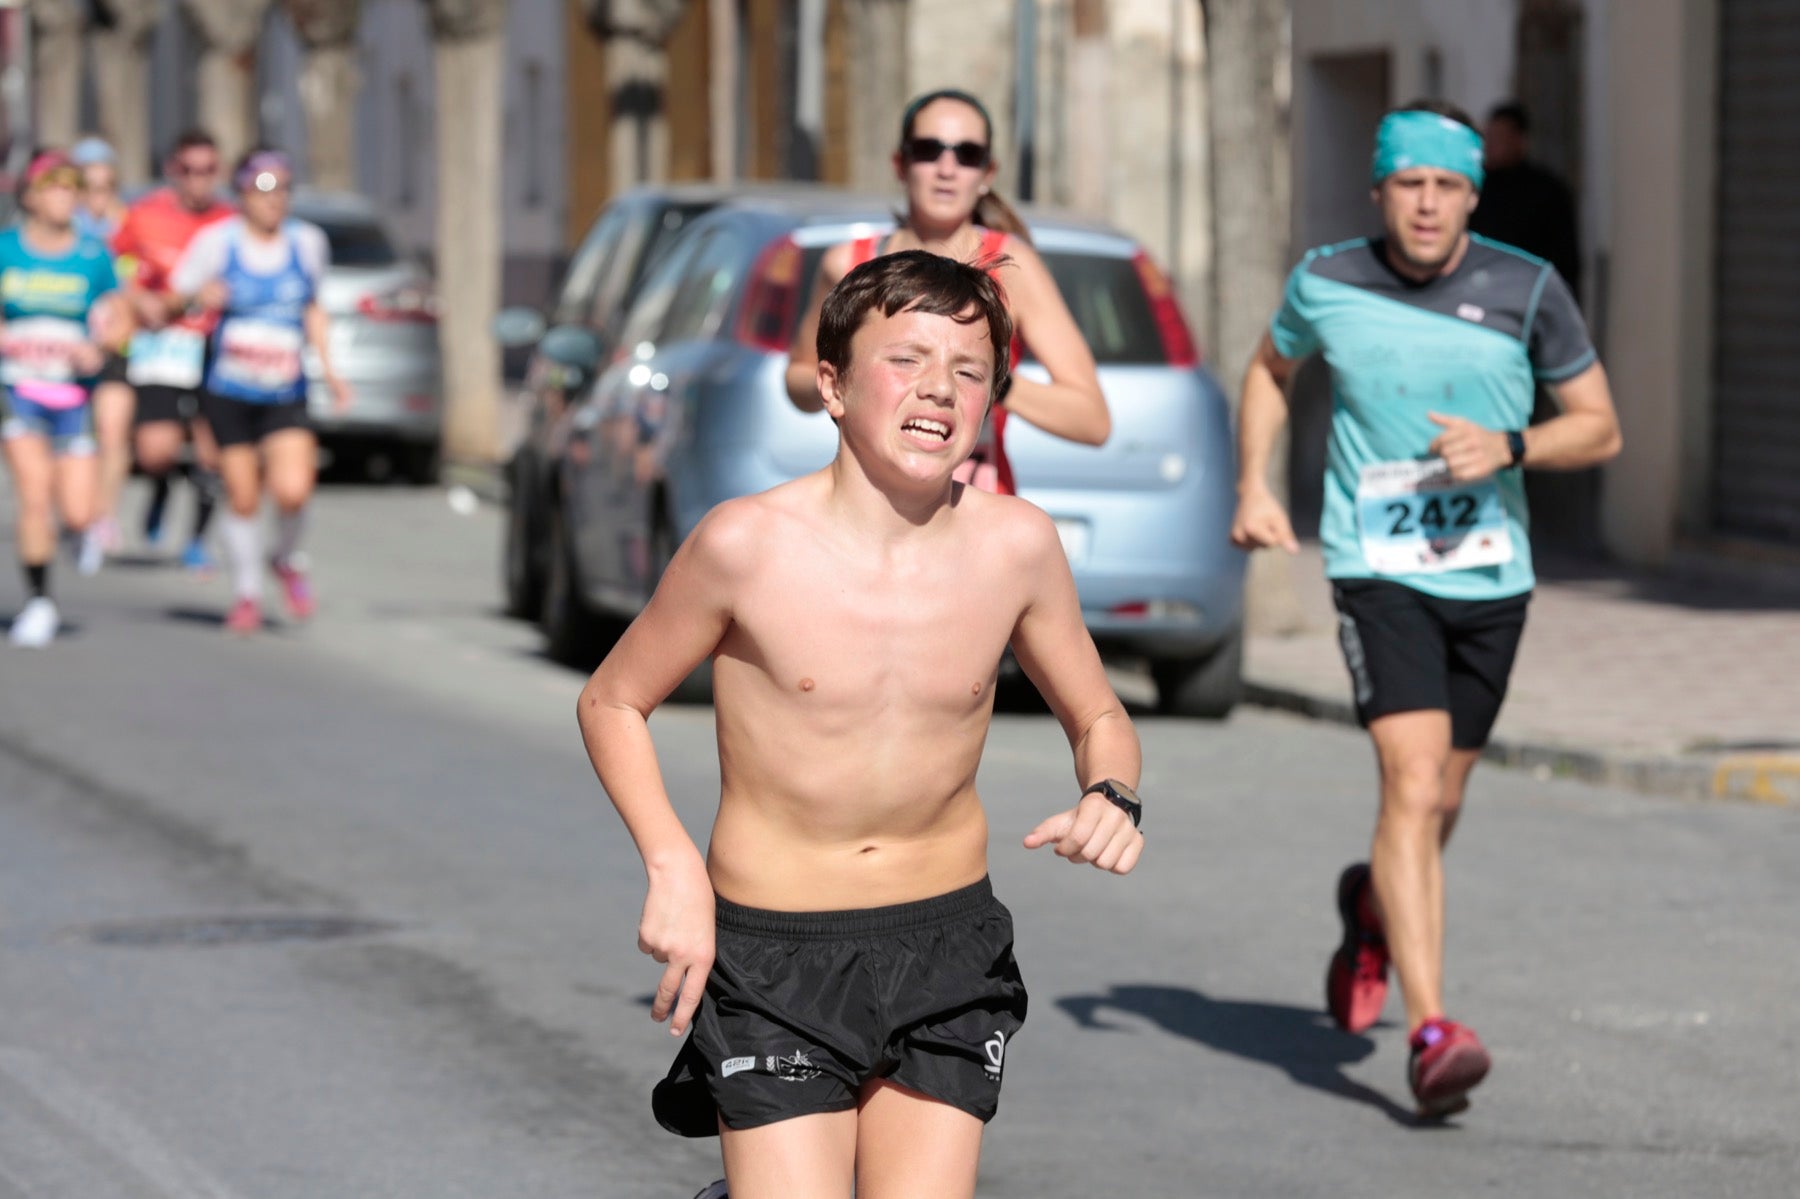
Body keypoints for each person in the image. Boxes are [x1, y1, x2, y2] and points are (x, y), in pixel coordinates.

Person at [580, 250, 1144, 1198]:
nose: (940, 388)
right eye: (907, 360)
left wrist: (1112, 792)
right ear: (833, 387)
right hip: (775, 953)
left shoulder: (1017, 546)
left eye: (969, 370)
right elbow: (611, 699)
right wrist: (674, 868)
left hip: (947, 945)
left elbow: (1098, 713)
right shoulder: (745, 544)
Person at [1230, 101, 1622, 1118]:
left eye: (1448, 185)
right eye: (1410, 183)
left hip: (1491, 576)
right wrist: (1254, 483)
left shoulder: (1527, 288)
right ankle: (1434, 1030)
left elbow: (1600, 427)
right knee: (1409, 779)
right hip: (1378, 566)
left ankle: (1372, 906)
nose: (1428, 204)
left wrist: (1512, 445)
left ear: (1473, 195)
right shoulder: (1328, 280)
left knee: (1441, 800)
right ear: (1380, 190)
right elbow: (1270, 368)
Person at [785, 88, 1109, 494]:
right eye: (928, 150)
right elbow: (800, 375)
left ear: (988, 174)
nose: (947, 169)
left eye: (967, 155)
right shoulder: (848, 263)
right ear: (900, 164)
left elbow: (1092, 421)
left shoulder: (1012, 267)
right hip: (870, 501)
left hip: (974, 502)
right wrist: (845, 381)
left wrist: (985, 380)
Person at [168, 147, 348, 634]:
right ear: (242, 194)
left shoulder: (307, 242)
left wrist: (331, 371)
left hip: (284, 389)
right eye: (264, 188)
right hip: (228, 390)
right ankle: (246, 594)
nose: (275, 199)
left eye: (283, 188)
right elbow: (174, 295)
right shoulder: (217, 242)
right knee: (244, 496)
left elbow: (313, 307)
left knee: (294, 489)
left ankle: (285, 558)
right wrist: (198, 297)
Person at [0, 150, 123, 646]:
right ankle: (39, 601)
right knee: (34, 496)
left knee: (76, 511)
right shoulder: (6, 248)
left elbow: (120, 317)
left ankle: (80, 530)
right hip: (18, 390)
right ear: (30, 195)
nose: (64, 196)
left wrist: (101, 347)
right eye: (53, 186)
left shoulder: (93, 255)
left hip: (73, 395)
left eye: (72, 187)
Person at [112, 128, 234, 569]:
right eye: (189, 170)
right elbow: (116, 265)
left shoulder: (229, 223)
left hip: (214, 343)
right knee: (155, 450)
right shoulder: (144, 215)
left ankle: (198, 539)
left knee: (213, 450)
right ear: (172, 170)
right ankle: (161, 485)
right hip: (163, 342)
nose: (198, 179)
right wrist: (137, 298)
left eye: (208, 170)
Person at [70, 136, 135, 571]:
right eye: (89, 187)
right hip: (69, 351)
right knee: (76, 438)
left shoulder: (128, 226)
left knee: (113, 433)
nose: (98, 197)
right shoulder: (63, 227)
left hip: (117, 346)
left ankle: (103, 515)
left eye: (106, 187)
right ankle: (75, 509)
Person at [1467, 101, 1581, 298]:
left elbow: (1564, 258)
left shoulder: (1547, 191)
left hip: (1528, 292)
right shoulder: (1477, 187)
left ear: (1519, 140)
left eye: (1499, 137)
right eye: (1488, 137)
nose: (1490, 145)